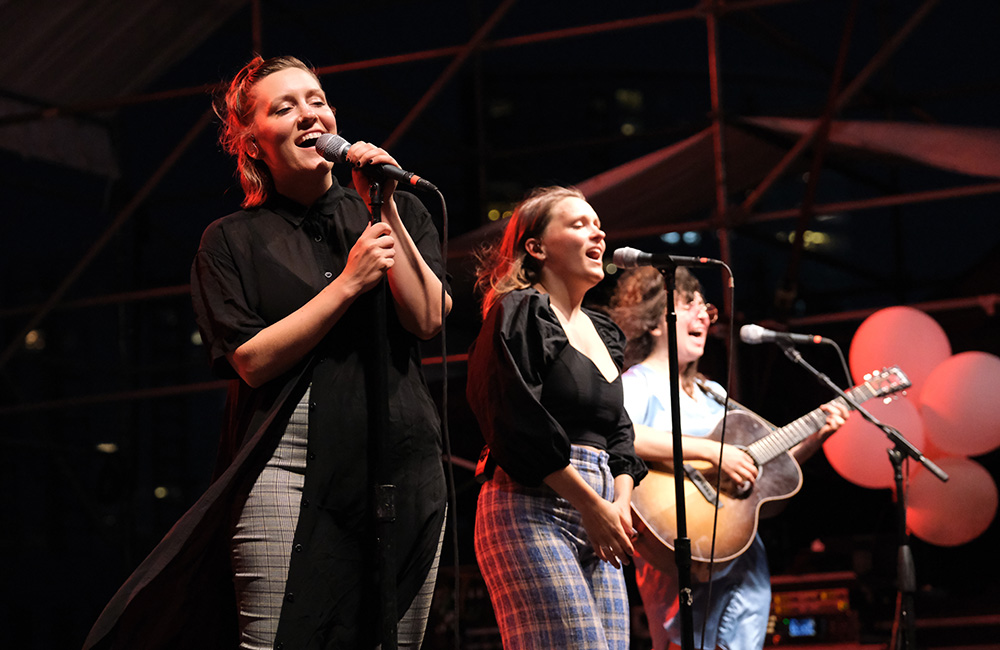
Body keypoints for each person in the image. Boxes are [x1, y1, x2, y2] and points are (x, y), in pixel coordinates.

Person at [83, 55, 451, 650]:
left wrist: (378, 205)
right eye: (285, 108)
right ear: (252, 144)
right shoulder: (230, 240)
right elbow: (250, 360)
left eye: (316, 100)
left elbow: (429, 318)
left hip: (404, 466)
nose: (309, 115)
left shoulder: (394, 208)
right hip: (291, 468)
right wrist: (348, 283)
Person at [609, 266, 847, 650]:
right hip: (684, 551)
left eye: (706, 307)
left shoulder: (713, 392)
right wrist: (712, 452)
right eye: (689, 305)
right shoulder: (638, 383)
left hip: (739, 556)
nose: (703, 314)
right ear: (654, 322)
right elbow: (621, 435)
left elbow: (769, 469)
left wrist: (818, 435)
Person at [465, 186, 648, 649]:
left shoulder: (603, 330)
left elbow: (619, 434)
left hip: (602, 512)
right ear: (537, 247)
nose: (598, 232)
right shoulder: (522, 310)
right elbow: (514, 419)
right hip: (531, 506)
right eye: (579, 223)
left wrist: (618, 503)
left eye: (598, 223)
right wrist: (591, 504)